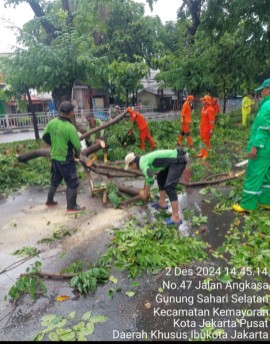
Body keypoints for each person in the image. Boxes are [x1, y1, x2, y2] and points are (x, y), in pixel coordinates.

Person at [233, 79, 270, 213]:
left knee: (253, 174)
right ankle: (266, 201)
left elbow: (263, 128)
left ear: (268, 90)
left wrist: (255, 147)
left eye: (262, 90)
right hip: (268, 148)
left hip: (263, 148)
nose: (261, 92)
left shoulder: (267, 106)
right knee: (266, 174)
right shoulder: (266, 105)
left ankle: (247, 205)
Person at [124, 149, 188, 226]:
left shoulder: (142, 163)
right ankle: (162, 203)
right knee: (160, 178)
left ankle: (176, 217)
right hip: (172, 161)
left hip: (177, 160)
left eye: (130, 166)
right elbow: (147, 177)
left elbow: (150, 178)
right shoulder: (142, 160)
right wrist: (145, 190)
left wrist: (145, 193)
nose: (131, 168)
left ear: (133, 163)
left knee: (169, 187)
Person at [42, 101, 85, 212]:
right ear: (70, 112)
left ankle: (49, 201)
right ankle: (71, 206)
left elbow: (45, 136)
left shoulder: (52, 123)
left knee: (55, 180)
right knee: (72, 182)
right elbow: (77, 146)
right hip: (66, 160)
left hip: (55, 158)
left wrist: (54, 144)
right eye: (73, 111)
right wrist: (77, 155)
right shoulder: (69, 127)